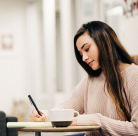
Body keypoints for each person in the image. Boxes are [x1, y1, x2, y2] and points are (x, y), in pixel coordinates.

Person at [29, 21, 138, 136]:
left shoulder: (134, 76)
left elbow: (136, 129)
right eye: (81, 53)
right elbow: (66, 107)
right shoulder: (90, 80)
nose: (84, 58)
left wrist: (98, 121)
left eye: (86, 49)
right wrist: (43, 115)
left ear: (104, 42)